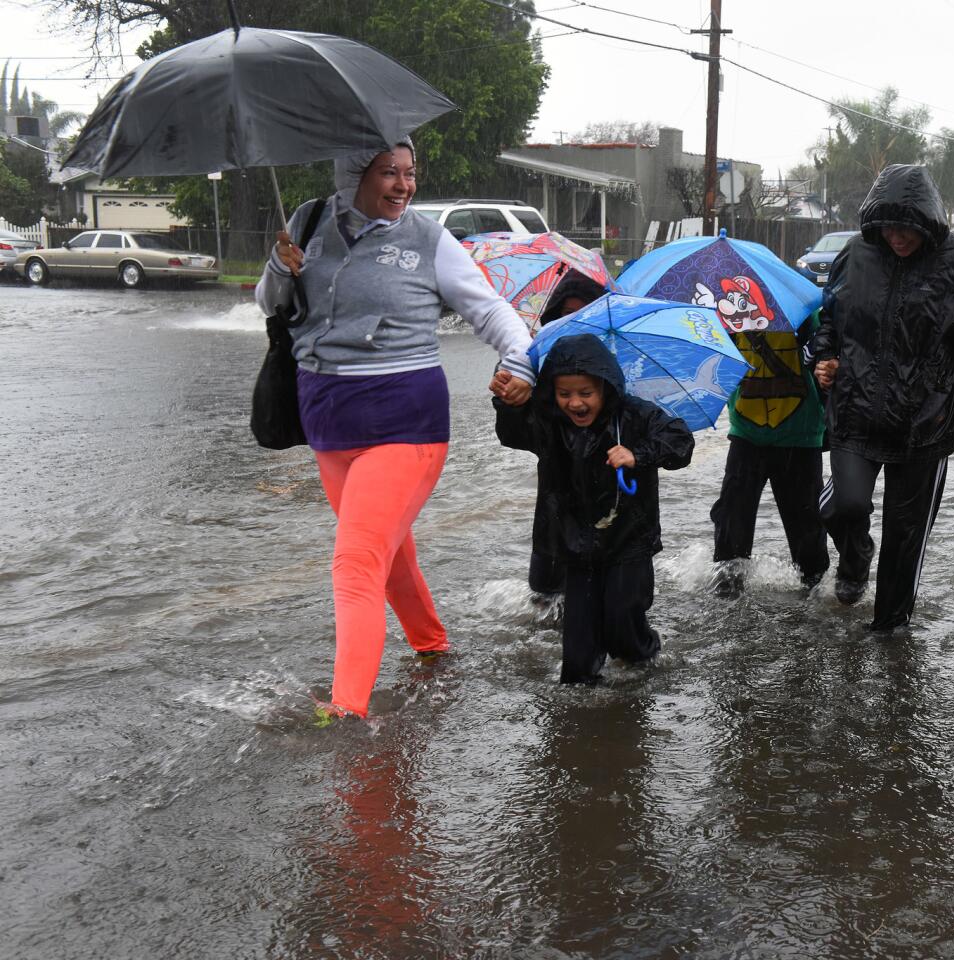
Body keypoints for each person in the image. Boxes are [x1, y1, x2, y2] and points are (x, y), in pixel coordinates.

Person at [254, 140, 536, 722]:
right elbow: (270, 303)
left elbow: (489, 309)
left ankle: (345, 712)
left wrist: (519, 359)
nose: (404, 186)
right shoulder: (306, 221)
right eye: (389, 173)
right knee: (391, 553)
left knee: (356, 559)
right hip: (328, 420)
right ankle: (433, 648)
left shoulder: (429, 239)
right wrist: (280, 269)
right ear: (352, 175)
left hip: (406, 422)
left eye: (409, 174)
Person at [809, 163, 954, 632]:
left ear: (928, 222)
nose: (898, 237)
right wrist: (823, 357)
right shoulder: (855, 255)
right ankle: (853, 562)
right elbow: (829, 318)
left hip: (924, 427)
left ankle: (891, 632)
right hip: (856, 414)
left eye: (908, 228)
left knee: (905, 540)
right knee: (844, 504)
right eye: (890, 226)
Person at [492, 334, 694, 683]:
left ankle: (646, 652)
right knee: (577, 660)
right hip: (575, 545)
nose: (575, 403)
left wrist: (638, 454)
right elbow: (512, 434)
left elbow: (681, 442)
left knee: (623, 630)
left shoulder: (634, 415)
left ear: (606, 387)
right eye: (564, 394)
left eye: (586, 393)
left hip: (628, 540)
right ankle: (581, 713)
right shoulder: (548, 422)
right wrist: (508, 402)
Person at [710, 305, 829, 597]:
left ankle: (815, 592)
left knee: (807, 530)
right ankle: (727, 594)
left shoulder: (805, 313)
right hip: (746, 435)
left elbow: (827, 353)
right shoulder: (724, 317)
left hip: (799, 437)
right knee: (731, 523)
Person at [524, 270, 610, 600]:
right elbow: (518, 432)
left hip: (607, 479)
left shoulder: (618, 362)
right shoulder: (540, 359)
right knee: (545, 587)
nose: (575, 320)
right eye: (567, 313)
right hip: (557, 480)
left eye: (585, 311)